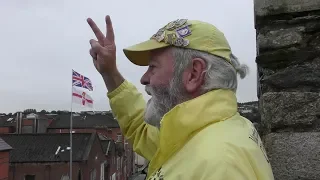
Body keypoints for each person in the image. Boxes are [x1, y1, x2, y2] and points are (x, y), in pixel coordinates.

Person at [87, 15, 274, 180]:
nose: (144, 79)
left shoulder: (219, 165)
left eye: (153, 66)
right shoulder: (201, 131)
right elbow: (140, 127)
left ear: (193, 73)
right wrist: (110, 73)